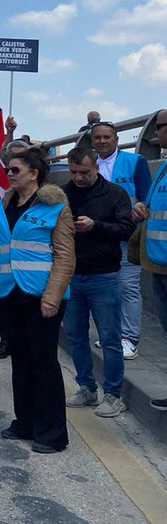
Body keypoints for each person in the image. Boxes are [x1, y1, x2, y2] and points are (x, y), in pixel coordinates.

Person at [0, 147, 75, 453]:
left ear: (34, 174)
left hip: (40, 296)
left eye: (15, 170)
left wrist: (52, 296)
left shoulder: (56, 208)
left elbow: (65, 257)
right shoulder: (2, 205)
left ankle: (52, 433)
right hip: (9, 293)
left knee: (43, 362)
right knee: (20, 360)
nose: (9, 174)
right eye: (9, 169)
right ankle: (26, 421)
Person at [62, 145, 134, 418]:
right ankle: (86, 387)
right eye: (73, 172)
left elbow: (126, 229)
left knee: (109, 337)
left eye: (83, 172)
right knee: (76, 336)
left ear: (96, 168)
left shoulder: (115, 194)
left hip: (103, 274)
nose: (78, 178)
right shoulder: (64, 194)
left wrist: (96, 226)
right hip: (71, 273)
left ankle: (114, 395)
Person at [88, 121, 151, 359]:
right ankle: (111, 335)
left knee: (128, 287)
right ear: (92, 141)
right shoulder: (89, 163)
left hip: (126, 234)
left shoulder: (135, 162)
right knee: (106, 288)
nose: (102, 141)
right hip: (98, 235)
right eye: (97, 138)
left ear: (115, 139)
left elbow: (145, 196)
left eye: (107, 137)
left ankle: (130, 338)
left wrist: (142, 207)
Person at [128, 109, 167, 411]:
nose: (157, 135)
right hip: (158, 262)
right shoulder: (164, 168)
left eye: (161, 128)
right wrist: (142, 207)